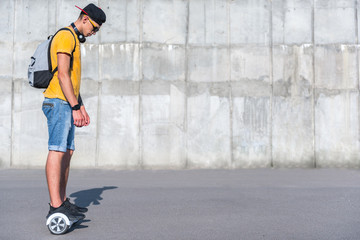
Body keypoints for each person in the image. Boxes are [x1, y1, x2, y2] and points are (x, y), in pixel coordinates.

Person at [42, 4, 106, 220]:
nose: (94, 33)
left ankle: (62, 200)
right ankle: (55, 205)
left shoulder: (74, 39)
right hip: (58, 102)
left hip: (67, 102)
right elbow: (62, 75)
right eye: (95, 28)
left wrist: (81, 105)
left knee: (67, 153)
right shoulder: (66, 36)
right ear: (85, 18)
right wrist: (75, 107)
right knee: (57, 151)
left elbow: (72, 78)